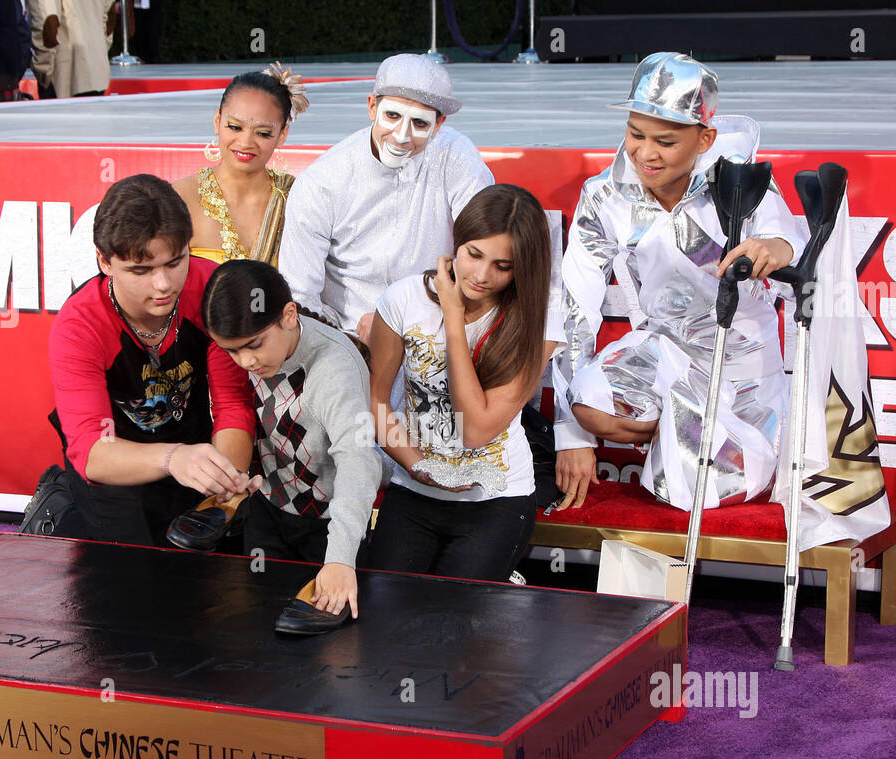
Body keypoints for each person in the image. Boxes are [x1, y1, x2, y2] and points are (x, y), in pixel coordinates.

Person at [552, 52, 809, 512]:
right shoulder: (603, 195)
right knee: (586, 403)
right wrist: (571, 434)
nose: (645, 153)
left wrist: (775, 248)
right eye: (635, 134)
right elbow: (575, 308)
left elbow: (792, 245)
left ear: (705, 138)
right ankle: (680, 430)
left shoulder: (741, 182)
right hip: (664, 353)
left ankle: (718, 434)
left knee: (705, 493)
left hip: (741, 369)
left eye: (665, 141)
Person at [46, 173, 258, 546]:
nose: (163, 285)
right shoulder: (79, 325)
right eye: (140, 271)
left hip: (192, 444)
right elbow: (92, 452)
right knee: (131, 568)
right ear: (104, 261)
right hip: (116, 460)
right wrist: (173, 458)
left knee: (219, 556)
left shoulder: (210, 288)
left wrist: (226, 483)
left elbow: (232, 404)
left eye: (175, 262)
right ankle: (60, 506)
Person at [366, 183, 552, 582]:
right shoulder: (403, 299)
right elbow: (376, 402)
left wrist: (453, 317)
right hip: (414, 489)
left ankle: (496, 591)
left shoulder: (537, 318)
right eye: (474, 255)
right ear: (456, 244)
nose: (482, 276)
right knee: (384, 605)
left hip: (497, 499)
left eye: (503, 266)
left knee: (453, 611)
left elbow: (476, 430)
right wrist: (417, 467)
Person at [197, 259, 382, 619]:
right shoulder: (257, 348)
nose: (245, 361)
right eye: (232, 351)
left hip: (329, 526)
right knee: (255, 621)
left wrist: (341, 559)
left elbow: (359, 460)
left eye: (254, 345)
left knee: (328, 646)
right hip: (267, 511)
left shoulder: (334, 368)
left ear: (289, 315)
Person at [277, 52, 493, 343]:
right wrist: (341, 347)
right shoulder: (322, 181)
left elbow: (487, 242)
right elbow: (300, 296)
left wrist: (417, 315)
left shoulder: (455, 154)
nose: (401, 136)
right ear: (372, 107)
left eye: (420, 123)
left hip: (443, 325)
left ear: (439, 124)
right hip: (348, 337)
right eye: (392, 116)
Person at [172, 64, 308, 268]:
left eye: (263, 133)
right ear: (217, 120)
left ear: (282, 135)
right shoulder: (179, 199)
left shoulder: (297, 199)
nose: (245, 143)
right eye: (235, 127)